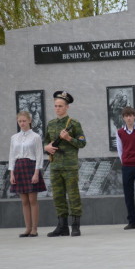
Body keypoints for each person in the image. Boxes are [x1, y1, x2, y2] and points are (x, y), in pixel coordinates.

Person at [44, 91, 87, 236]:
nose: (57, 108)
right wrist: (47, 147)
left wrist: (69, 138)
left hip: (70, 166)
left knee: (73, 195)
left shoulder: (74, 124)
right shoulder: (50, 124)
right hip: (55, 166)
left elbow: (82, 143)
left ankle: (75, 226)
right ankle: (62, 226)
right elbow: (45, 142)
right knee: (58, 196)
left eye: (60, 106)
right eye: (56, 106)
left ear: (67, 107)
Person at [9, 111, 47, 237]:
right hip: (19, 168)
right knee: (24, 201)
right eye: (20, 121)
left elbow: (39, 155)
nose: (22, 123)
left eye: (24, 121)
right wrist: (12, 173)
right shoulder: (14, 138)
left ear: (30, 120)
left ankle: (34, 229)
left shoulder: (35, 137)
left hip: (31, 167)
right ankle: (27, 228)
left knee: (32, 200)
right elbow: (12, 156)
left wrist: (36, 173)